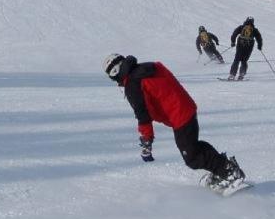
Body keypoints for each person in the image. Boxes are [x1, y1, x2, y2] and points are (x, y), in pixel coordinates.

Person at [103, 53, 245, 192]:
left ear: (115, 72)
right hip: (185, 107)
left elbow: (142, 115)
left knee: (192, 158)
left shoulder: (132, 85)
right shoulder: (147, 67)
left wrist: (147, 140)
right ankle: (223, 168)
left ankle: (229, 172)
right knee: (193, 147)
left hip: (179, 116)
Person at [228, 16, 263, 81]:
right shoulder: (255, 30)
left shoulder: (241, 27)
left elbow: (234, 34)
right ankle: (242, 74)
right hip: (249, 45)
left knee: (237, 59)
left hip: (240, 44)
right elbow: (259, 38)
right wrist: (259, 46)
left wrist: (233, 42)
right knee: (244, 60)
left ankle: (232, 75)